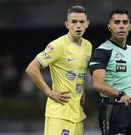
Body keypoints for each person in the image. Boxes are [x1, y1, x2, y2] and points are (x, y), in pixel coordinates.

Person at [26, 5, 92, 135]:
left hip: (77, 113)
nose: (78, 25)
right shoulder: (57, 45)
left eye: (81, 22)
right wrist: (49, 92)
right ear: (67, 24)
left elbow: (80, 71)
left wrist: (82, 90)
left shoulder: (87, 46)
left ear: (87, 24)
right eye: (74, 22)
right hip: (59, 113)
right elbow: (31, 69)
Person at [89, 7, 131, 135]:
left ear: (130, 26)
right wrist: (120, 95)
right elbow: (98, 84)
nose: (121, 26)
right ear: (109, 27)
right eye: (117, 22)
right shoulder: (103, 51)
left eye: (125, 22)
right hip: (113, 109)